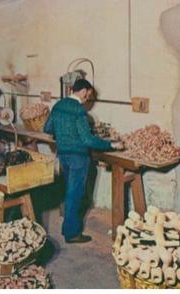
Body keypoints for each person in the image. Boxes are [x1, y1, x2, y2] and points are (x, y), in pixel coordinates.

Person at [44, 79, 123, 244]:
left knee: (69, 191)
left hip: (63, 155)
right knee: (75, 194)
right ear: (84, 91)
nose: (88, 98)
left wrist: (64, 133)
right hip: (78, 158)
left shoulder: (58, 105)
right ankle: (72, 233)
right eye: (89, 94)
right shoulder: (79, 110)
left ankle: (67, 226)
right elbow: (87, 140)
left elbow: (48, 128)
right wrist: (111, 145)